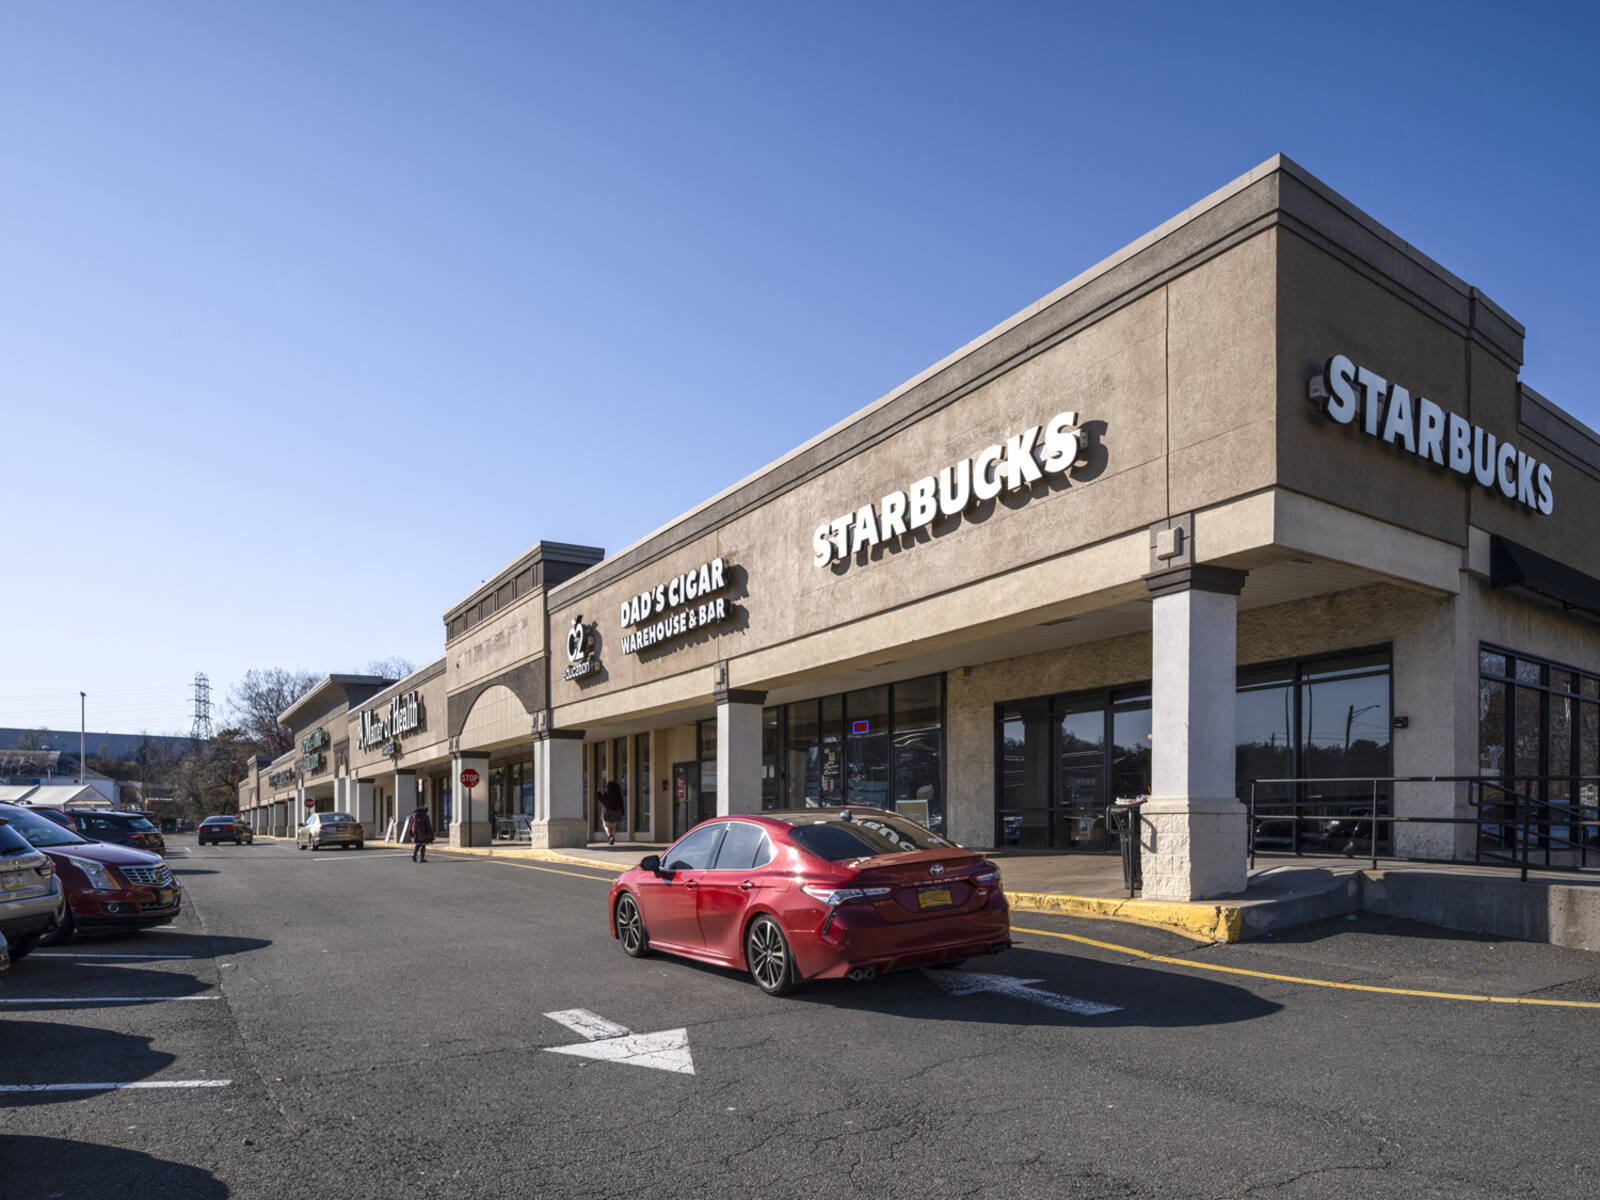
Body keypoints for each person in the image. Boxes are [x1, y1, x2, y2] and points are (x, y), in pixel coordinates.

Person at [599, 781, 624, 846]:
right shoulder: (619, 795)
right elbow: (621, 804)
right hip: (617, 812)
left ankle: (610, 836)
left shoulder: (606, 794)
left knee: (606, 825)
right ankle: (612, 836)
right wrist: (622, 812)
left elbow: (602, 800)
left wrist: (598, 793)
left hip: (608, 811)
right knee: (613, 827)